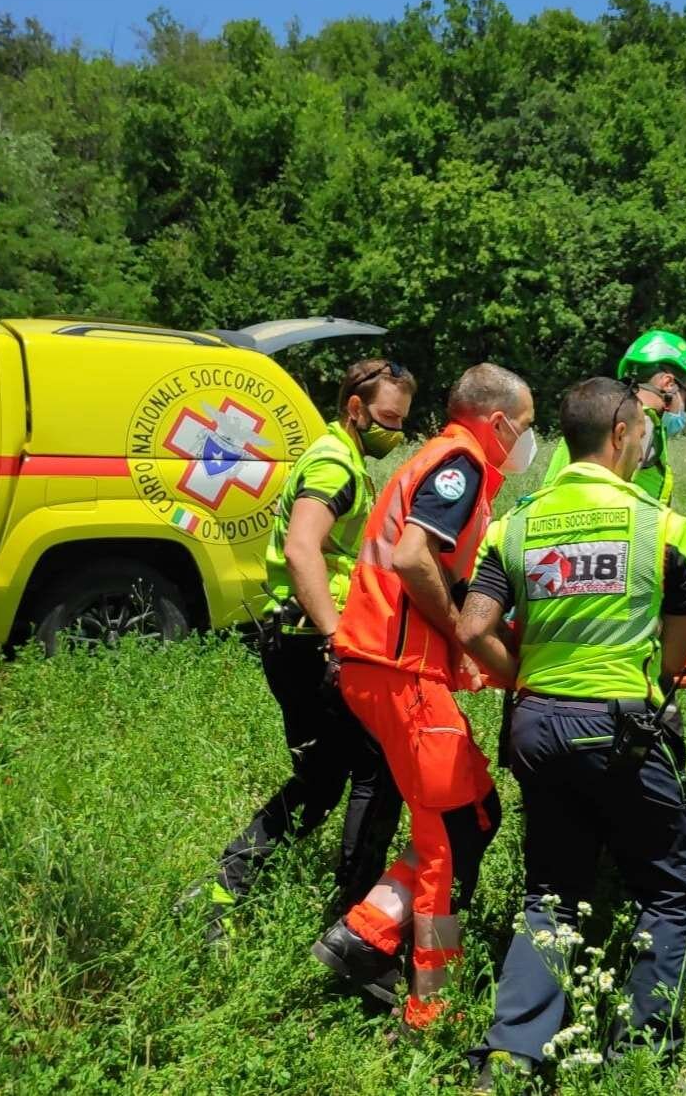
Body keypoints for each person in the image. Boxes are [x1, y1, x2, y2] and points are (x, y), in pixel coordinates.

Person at [458, 377, 686, 1084]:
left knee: (550, 889)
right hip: (622, 726)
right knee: (669, 881)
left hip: (534, 724)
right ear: (625, 430)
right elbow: (676, 656)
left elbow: (473, 626)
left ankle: (510, 1053)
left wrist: (526, 676)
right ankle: (637, 1053)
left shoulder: (518, 522)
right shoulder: (661, 526)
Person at [311, 364, 537, 1028]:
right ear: (496, 422)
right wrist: (463, 635)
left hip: (394, 667)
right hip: (398, 668)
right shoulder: (459, 462)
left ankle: (362, 933)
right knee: (447, 835)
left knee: (476, 813)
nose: (525, 442)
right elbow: (413, 558)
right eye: (523, 427)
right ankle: (430, 1006)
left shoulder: (447, 461)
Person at [192, 359, 415, 941]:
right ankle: (355, 916)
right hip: (308, 644)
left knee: (320, 782)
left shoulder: (341, 457)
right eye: (387, 419)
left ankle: (222, 890)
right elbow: (301, 548)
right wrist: (336, 634)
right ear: (355, 409)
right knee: (376, 766)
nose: (394, 432)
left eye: (403, 423)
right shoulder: (335, 462)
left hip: (296, 640)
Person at [540, 329, 686, 504]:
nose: (684, 410)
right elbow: (609, 502)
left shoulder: (593, 414)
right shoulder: (641, 424)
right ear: (668, 384)